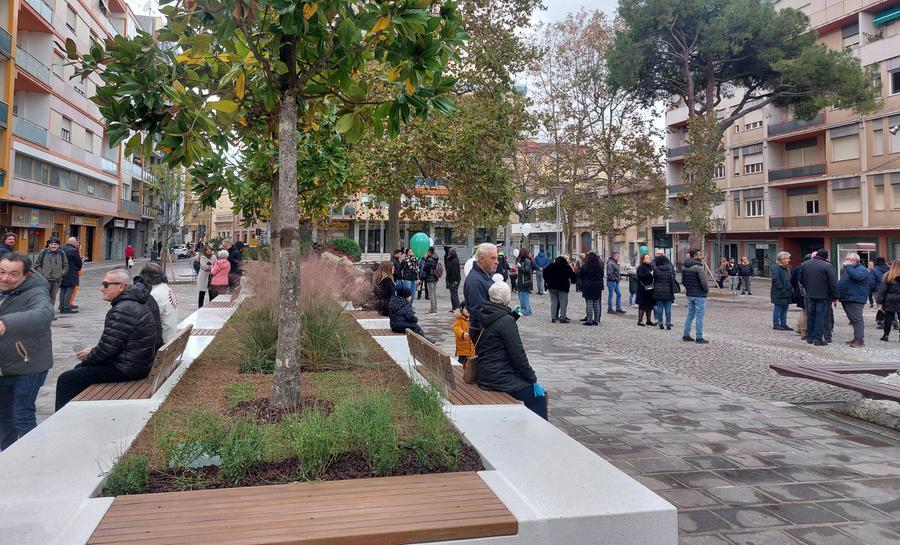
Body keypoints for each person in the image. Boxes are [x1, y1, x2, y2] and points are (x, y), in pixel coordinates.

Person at [55, 270, 160, 410]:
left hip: (128, 368)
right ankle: (78, 411)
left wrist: (88, 356)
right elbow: (110, 345)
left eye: (106, 284)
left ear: (121, 286)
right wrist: (92, 354)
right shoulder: (134, 302)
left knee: (67, 379)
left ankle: (62, 420)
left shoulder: (123, 309)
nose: (101, 288)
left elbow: (105, 351)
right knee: (79, 371)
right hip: (137, 363)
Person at [0, 253, 55, 449]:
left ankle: (32, 457)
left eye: (13, 274)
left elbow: (45, 313)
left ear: (25, 275)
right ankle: (6, 458)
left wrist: (6, 323)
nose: (6, 278)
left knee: (21, 414)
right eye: (2, 272)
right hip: (4, 367)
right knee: (3, 418)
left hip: (29, 365)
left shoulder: (36, 292)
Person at [473, 282, 547, 420]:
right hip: (499, 377)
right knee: (538, 397)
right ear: (506, 299)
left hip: (484, 373)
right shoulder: (506, 321)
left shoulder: (484, 313)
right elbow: (518, 354)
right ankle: (540, 435)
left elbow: (494, 331)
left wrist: (511, 317)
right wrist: (532, 378)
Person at [799, 249, 838, 346]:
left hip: (810, 294)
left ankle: (810, 337)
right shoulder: (827, 266)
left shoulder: (806, 264)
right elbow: (833, 283)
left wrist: (808, 288)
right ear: (826, 257)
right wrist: (835, 296)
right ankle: (818, 339)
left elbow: (801, 279)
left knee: (811, 316)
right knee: (820, 317)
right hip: (824, 296)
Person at [463, 243, 499, 339]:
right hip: (485, 335)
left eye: (497, 258)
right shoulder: (475, 281)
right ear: (481, 259)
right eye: (493, 258)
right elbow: (479, 313)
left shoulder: (484, 276)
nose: (497, 262)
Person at [139, 263, 179, 345]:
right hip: (171, 336)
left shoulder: (155, 295)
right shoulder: (166, 288)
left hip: (163, 341)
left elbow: (147, 322)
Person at [838, 253, 871, 348]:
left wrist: (848, 267)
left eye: (848, 259)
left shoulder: (862, 269)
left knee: (857, 320)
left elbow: (857, 277)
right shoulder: (849, 269)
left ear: (854, 261)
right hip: (847, 297)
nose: (845, 261)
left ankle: (860, 340)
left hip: (856, 298)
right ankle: (856, 338)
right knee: (853, 320)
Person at [34, 237, 69, 313]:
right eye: (51, 244)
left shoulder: (62, 253)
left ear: (58, 245)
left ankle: (49, 313)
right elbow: (36, 265)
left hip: (56, 280)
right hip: (44, 280)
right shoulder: (44, 252)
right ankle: (42, 312)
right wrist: (42, 274)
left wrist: (61, 273)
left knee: (52, 298)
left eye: (55, 244)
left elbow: (66, 266)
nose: (53, 246)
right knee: (44, 296)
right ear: (49, 245)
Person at [681, 248, 709, 343]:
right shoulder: (698, 267)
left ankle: (686, 334)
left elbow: (683, 281)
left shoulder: (684, 267)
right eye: (699, 255)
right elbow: (704, 282)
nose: (700, 256)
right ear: (695, 256)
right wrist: (706, 290)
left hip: (690, 293)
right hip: (699, 294)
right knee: (699, 316)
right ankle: (699, 337)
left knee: (690, 315)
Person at [543, 255, 576, 324]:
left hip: (551, 287)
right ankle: (562, 318)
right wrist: (573, 280)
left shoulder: (551, 266)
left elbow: (544, 272)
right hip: (563, 287)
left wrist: (547, 280)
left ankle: (553, 318)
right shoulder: (566, 267)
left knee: (554, 302)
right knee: (563, 303)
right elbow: (572, 276)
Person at [577, 252, 604, 326]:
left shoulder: (586, 266)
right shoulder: (599, 267)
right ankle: (596, 320)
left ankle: (589, 320)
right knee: (596, 303)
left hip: (588, 285)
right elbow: (602, 275)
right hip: (597, 286)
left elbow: (580, 275)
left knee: (589, 303)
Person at [876, 259, 900, 342]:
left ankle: (886, 335)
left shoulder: (888, 275)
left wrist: (879, 301)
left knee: (888, 319)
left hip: (890, 299)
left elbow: (882, 290)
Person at [59, 237, 83, 314]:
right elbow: (79, 262)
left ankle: (62, 306)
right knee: (70, 289)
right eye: (76, 242)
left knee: (62, 290)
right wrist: (81, 263)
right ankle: (66, 307)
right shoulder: (74, 250)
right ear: (73, 243)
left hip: (62, 272)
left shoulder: (61, 249)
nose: (77, 244)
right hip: (72, 273)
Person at [652, 254, 676, 330]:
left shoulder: (656, 269)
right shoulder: (670, 268)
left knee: (659, 308)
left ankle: (660, 323)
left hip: (658, 290)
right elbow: (672, 279)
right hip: (668, 290)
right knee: (668, 308)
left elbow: (655, 279)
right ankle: (668, 323)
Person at [770, 252, 793, 331]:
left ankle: (783, 324)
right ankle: (776, 324)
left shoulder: (786, 268)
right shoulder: (776, 267)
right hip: (779, 293)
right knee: (778, 308)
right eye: (787, 258)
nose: (788, 260)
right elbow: (776, 280)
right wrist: (782, 288)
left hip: (786, 292)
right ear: (781, 259)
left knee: (785, 309)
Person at [790, 254, 810, 338]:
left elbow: (792, 281)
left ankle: (799, 327)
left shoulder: (796, 268)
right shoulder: (807, 268)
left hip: (799, 292)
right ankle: (803, 330)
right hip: (805, 293)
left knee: (803, 311)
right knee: (805, 312)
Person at [636, 253, 656, 326]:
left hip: (650, 288)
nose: (649, 259)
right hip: (643, 289)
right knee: (642, 305)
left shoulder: (651, 266)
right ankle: (640, 320)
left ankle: (649, 320)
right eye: (647, 258)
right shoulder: (641, 267)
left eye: (649, 258)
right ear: (643, 260)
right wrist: (650, 274)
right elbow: (640, 276)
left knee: (650, 305)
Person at [515, 248, 534, 316]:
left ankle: (525, 311)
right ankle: (528, 310)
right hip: (521, 281)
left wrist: (520, 267)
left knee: (524, 297)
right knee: (522, 296)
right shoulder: (521, 260)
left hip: (525, 282)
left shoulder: (527, 261)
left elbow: (527, 270)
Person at [422, 247, 440, 314]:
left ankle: (432, 309)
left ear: (429, 251)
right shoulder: (436, 257)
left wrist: (425, 259)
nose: (426, 253)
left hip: (430, 278)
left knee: (431, 294)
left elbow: (424, 268)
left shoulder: (429, 259)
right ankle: (435, 308)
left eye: (427, 251)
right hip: (435, 277)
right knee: (434, 293)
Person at [444, 247, 461, 312]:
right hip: (451, 279)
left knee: (454, 294)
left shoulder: (455, 260)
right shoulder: (450, 259)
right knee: (452, 294)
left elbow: (455, 272)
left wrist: (454, 281)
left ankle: (458, 308)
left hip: (454, 280)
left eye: (449, 252)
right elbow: (446, 260)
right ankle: (454, 308)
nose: (448, 253)